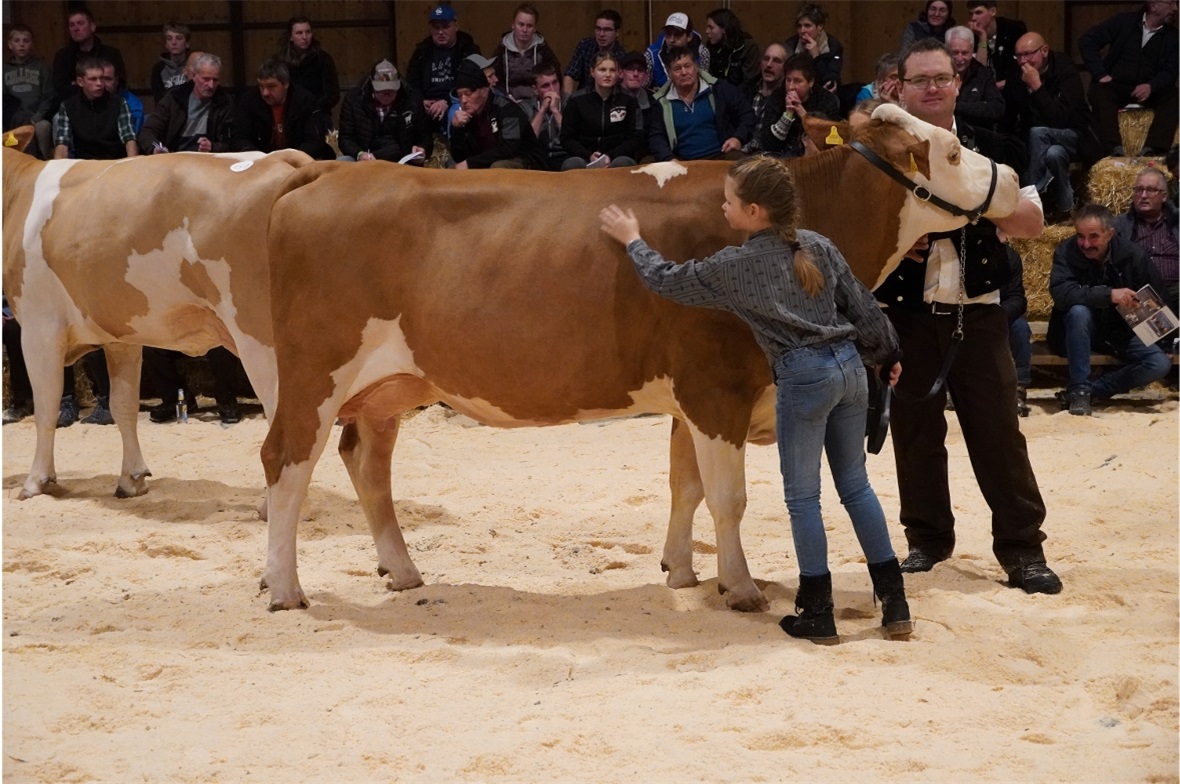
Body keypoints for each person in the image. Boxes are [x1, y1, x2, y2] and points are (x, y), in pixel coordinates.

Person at [598, 156, 912, 645]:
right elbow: (864, 308)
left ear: (754, 212)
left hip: (803, 378)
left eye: (729, 202)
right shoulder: (820, 245)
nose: (722, 209)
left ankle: (817, 610)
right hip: (851, 371)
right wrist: (886, 354)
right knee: (856, 487)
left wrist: (633, 239)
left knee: (803, 498)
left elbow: (665, 279)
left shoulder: (736, 266)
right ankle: (894, 603)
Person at [874, 38, 1062, 595]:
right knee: (914, 434)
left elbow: (1029, 222)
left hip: (977, 313)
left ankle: (1023, 549)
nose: (931, 88)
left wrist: (966, 210)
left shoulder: (993, 148)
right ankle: (927, 540)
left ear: (957, 82)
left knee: (998, 432)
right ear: (897, 88)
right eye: (919, 81)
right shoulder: (878, 153)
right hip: (904, 314)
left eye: (941, 78)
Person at [1048, 203, 1171, 415]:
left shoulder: (1133, 255)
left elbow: (1156, 297)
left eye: (1093, 236)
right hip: (1074, 332)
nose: (1085, 244)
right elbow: (1061, 294)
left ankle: (1092, 392)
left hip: (1119, 331)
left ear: (1110, 234)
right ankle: (1079, 389)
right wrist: (1109, 294)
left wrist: (1164, 337)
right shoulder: (1066, 251)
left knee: (1159, 363)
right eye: (1080, 236)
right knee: (1079, 311)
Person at [1006, 32, 1101, 222]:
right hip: (1043, 144)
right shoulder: (1017, 76)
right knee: (1054, 154)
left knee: (1039, 133)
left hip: (1077, 135)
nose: (1023, 61)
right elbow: (1015, 116)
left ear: (1045, 51)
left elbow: (1062, 119)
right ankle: (1067, 207)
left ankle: (1031, 195)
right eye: (1018, 55)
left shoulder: (1065, 71)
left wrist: (1037, 87)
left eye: (1028, 54)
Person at [1078, 0, 1179, 158]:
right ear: (1154, 6)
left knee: (1173, 95)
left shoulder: (1173, 37)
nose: (1175, 8)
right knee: (1101, 91)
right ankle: (1112, 147)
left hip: (1149, 89)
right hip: (1116, 84)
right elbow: (1087, 41)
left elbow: (1171, 71)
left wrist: (1152, 86)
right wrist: (1100, 73)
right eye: (1171, 4)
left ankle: (1155, 149)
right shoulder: (1124, 22)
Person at [647, 46, 753, 162]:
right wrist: (669, 158)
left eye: (687, 66)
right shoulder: (661, 101)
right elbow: (656, 137)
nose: (683, 72)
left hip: (721, 155)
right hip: (682, 162)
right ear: (669, 72)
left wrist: (738, 138)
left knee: (741, 161)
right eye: (677, 69)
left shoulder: (719, 89)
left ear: (696, 66)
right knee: (649, 162)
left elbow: (747, 113)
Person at [448, 58, 545, 170]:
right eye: (460, 95)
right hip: (487, 162)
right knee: (452, 170)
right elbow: (459, 158)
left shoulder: (507, 109)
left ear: (485, 90)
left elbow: (508, 149)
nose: (463, 100)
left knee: (498, 167)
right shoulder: (467, 116)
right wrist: (456, 129)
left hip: (526, 162)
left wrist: (471, 163)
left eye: (468, 94)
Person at [232, 57, 332, 160]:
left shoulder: (305, 101)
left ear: (286, 84)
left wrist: (289, 159)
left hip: (296, 161)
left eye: (271, 86)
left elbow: (315, 141)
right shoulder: (249, 101)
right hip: (260, 163)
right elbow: (239, 138)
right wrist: (259, 158)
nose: (265, 93)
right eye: (261, 86)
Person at [338, 59, 432, 164]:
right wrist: (359, 154)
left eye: (392, 92)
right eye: (382, 92)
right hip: (367, 158)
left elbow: (425, 135)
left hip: (401, 158)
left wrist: (422, 149)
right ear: (372, 85)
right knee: (342, 161)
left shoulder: (412, 99)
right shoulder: (354, 99)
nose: (387, 95)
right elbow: (345, 137)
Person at [138, 52, 233, 154]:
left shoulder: (224, 101)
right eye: (206, 79)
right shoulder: (174, 97)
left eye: (215, 80)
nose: (211, 85)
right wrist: (155, 148)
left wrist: (213, 147)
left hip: (207, 160)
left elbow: (231, 142)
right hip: (174, 156)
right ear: (194, 76)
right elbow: (147, 131)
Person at [560, 52, 642, 169]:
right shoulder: (576, 100)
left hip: (617, 157)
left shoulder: (629, 100)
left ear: (619, 73)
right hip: (585, 158)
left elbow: (636, 136)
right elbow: (566, 138)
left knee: (623, 163)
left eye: (612, 70)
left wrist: (610, 156)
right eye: (602, 70)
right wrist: (588, 156)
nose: (608, 74)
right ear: (592, 72)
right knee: (572, 164)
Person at [406, 4, 481, 127]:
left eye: (445, 27)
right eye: (436, 28)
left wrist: (447, 101)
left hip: (456, 101)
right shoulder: (422, 51)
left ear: (456, 26)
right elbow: (411, 82)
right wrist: (421, 101)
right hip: (427, 103)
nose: (440, 32)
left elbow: (473, 84)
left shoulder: (468, 50)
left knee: (458, 113)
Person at [1115, 167, 1179, 314]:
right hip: (1137, 296)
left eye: (1150, 190)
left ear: (1163, 196)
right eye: (1138, 190)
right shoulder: (1119, 226)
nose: (1143, 195)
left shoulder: (1177, 222)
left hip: (1176, 293)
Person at [52, 57, 137, 160]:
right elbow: (62, 142)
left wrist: (132, 164)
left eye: (101, 78)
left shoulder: (119, 103)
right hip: (84, 164)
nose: (99, 84)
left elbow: (129, 138)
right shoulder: (68, 106)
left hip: (114, 162)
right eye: (93, 79)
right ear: (80, 82)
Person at [758, 53, 839, 159]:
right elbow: (769, 145)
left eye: (797, 81)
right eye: (788, 80)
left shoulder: (827, 100)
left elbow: (827, 141)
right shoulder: (778, 97)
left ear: (811, 82)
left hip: (816, 158)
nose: (791, 87)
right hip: (781, 158)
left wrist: (804, 115)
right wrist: (788, 115)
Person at [51, 6, 126, 104]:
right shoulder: (62, 57)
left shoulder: (111, 54)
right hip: (73, 108)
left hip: (107, 106)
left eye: (80, 23)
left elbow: (119, 85)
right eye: (71, 25)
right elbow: (60, 90)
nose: (75, 28)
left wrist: (79, 85)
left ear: (92, 27)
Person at [491, 3, 561, 103]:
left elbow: (555, 78)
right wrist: (506, 98)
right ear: (513, 25)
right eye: (521, 24)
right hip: (508, 101)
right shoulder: (501, 50)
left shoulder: (543, 49)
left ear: (535, 28)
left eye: (529, 26)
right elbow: (495, 81)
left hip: (538, 102)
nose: (524, 30)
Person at [4, 25, 55, 159]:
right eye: (17, 41)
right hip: (11, 120)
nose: (21, 45)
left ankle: (40, 163)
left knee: (44, 127)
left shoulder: (42, 68)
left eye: (26, 41)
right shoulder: (4, 70)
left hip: (35, 119)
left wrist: (37, 117)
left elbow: (48, 97)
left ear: (31, 44)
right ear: (10, 44)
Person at [278, 16, 340, 116]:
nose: (304, 37)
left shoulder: (323, 59)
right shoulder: (280, 61)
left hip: (317, 115)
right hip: (289, 116)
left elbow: (332, 94)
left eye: (308, 32)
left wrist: (313, 108)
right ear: (290, 36)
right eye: (299, 33)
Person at [946, 25, 1003, 130]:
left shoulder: (983, 74)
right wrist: (977, 106)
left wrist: (955, 106)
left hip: (977, 134)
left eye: (964, 53)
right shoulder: (937, 74)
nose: (959, 58)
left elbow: (997, 109)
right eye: (955, 52)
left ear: (972, 52)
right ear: (946, 51)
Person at [1000, 246, 1033, 417]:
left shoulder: (1010, 256)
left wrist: (998, 315)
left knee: (1020, 328)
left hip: (999, 314)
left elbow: (1018, 298)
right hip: (970, 315)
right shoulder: (961, 254)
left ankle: (1018, 388)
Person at [966, 1, 1026, 92]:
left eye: (978, 13)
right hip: (986, 93)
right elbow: (978, 71)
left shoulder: (1014, 29)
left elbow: (1024, 69)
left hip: (1013, 90)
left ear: (992, 11)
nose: (973, 18)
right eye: (971, 14)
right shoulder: (973, 36)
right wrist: (982, 37)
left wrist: (994, 86)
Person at [562, 9, 625, 96]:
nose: (601, 34)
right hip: (584, 98)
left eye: (607, 30)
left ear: (617, 32)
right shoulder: (585, 46)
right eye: (598, 29)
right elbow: (570, 75)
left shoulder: (621, 55)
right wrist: (567, 101)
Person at [784, 4, 843, 93]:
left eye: (807, 26)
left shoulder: (833, 46)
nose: (802, 31)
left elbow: (830, 82)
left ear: (820, 27)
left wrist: (816, 57)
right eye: (799, 26)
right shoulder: (790, 44)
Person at [520, 63, 568, 170]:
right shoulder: (525, 107)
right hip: (538, 157)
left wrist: (555, 111)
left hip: (564, 156)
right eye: (545, 86)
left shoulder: (571, 102)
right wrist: (542, 111)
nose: (552, 89)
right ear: (535, 89)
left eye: (555, 83)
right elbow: (528, 142)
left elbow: (571, 137)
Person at [743, 42, 789, 154]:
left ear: (786, 68)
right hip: (742, 152)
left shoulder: (787, 97)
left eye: (776, 61)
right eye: (766, 59)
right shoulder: (746, 90)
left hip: (771, 155)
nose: (769, 64)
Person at [645, 12, 711, 90]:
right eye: (668, 34)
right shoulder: (652, 54)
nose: (672, 40)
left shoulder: (702, 53)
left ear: (689, 36)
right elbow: (642, 87)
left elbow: (703, 84)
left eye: (678, 35)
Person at [704, 8, 760, 89]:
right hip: (717, 95)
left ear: (724, 29)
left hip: (741, 97)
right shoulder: (710, 48)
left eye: (711, 28)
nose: (707, 31)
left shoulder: (748, 47)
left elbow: (749, 83)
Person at [150, 21, 191, 103]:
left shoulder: (194, 64)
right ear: (166, 44)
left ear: (187, 43)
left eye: (179, 38)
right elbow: (158, 100)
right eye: (169, 39)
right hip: (168, 112)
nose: (174, 42)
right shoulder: (158, 68)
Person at [101, 61, 142, 134]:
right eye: (100, 78)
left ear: (116, 81)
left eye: (108, 79)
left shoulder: (132, 103)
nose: (103, 84)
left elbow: (133, 134)